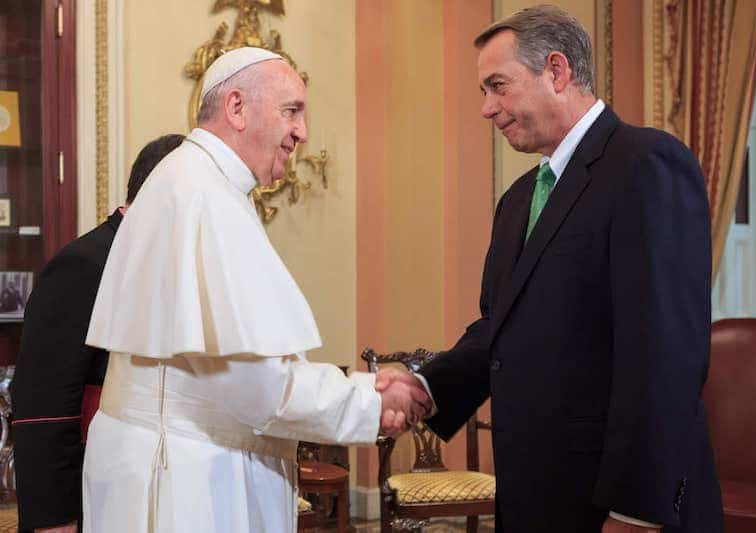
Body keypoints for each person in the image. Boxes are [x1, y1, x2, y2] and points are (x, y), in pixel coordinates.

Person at [377, 6, 722, 532]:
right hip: (537, 494)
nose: (487, 109)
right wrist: (425, 387)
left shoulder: (646, 164)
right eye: (483, 92)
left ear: (556, 71)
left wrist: (636, 511)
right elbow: (501, 329)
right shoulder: (518, 200)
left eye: (498, 86)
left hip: (619, 506)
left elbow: (665, 353)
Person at [81, 47, 428, 533]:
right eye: (292, 111)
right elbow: (260, 391)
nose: (302, 133)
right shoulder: (205, 196)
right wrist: (372, 398)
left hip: (167, 461)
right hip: (187, 481)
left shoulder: (192, 181)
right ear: (237, 107)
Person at [11, 134, 186, 533]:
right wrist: (55, 520)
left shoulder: (168, 261)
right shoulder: (83, 264)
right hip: (89, 493)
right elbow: (42, 407)